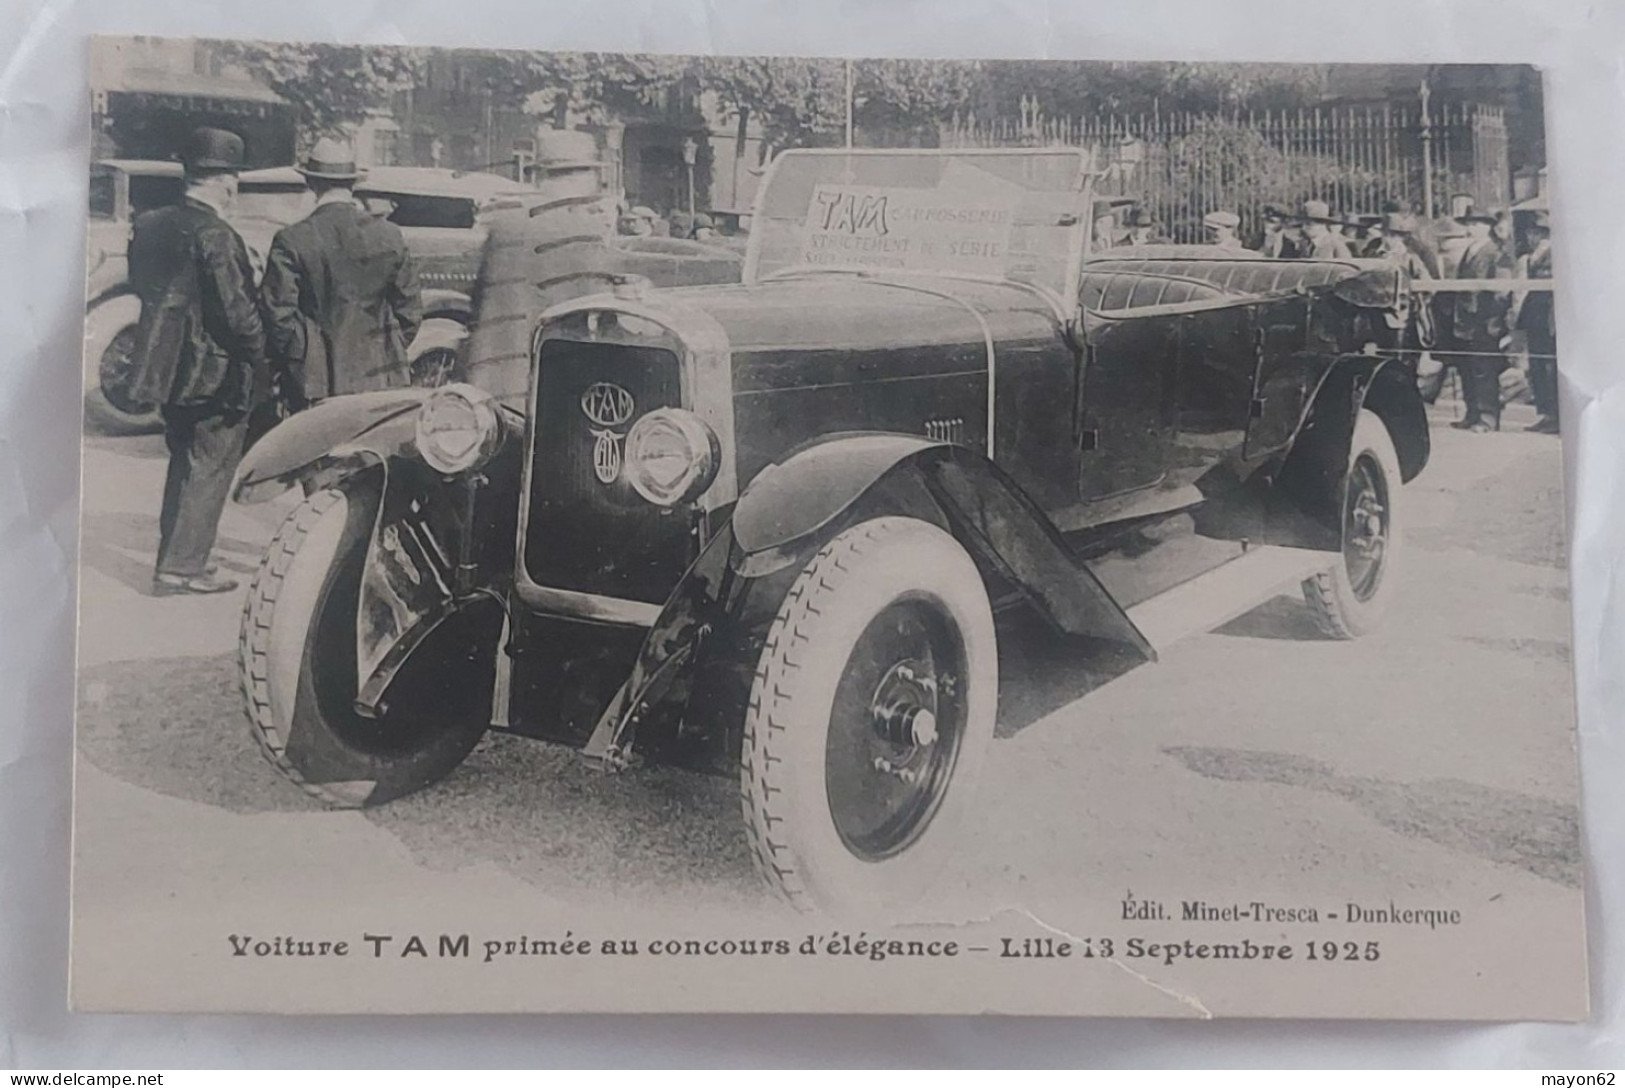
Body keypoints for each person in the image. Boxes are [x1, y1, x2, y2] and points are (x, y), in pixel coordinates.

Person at [125, 127, 265, 596]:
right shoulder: (217, 235)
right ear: (226, 182)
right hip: (215, 373)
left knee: (183, 460)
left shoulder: (151, 225)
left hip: (164, 369)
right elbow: (237, 314)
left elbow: (145, 287)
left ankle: (177, 557)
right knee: (209, 464)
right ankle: (183, 567)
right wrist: (261, 356)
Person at [260, 138, 423, 410]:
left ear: (312, 184)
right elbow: (410, 312)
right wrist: (386, 350)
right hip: (382, 378)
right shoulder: (389, 235)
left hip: (314, 382)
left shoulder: (293, 239)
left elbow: (277, 316)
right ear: (352, 184)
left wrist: (304, 357)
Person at [1445, 202, 1513, 432]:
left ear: (1488, 227)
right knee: (1466, 367)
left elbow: (1502, 291)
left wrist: (1496, 319)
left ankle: (1488, 417)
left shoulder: (1496, 253)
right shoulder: (1470, 250)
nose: (1472, 228)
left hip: (1484, 321)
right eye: (1470, 223)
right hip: (1464, 321)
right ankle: (1472, 412)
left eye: (1477, 224)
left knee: (1484, 369)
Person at [1518, 210, 1558, 434]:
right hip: (1535, 315)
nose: (1531, 236)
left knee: (1548, 364)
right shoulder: (1533, 254)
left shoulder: (1554, 252)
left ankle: (1555, 414)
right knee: (1538, 365)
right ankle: (1547, 413)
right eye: (1531, 231)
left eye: (1536, 232)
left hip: (1549, 315)